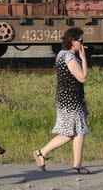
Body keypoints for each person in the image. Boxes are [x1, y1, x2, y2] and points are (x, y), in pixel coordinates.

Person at [33, 27, 91, 174]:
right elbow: (82, 77)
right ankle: (76, 166)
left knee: (73, 132)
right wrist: (84, 59)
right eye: (81, 40)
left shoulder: (61, 54)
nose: (83, 43)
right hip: (70, 101)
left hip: (67, 99)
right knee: (77, 132)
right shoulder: (69, 57)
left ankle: (42, 153)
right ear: (73, 41)